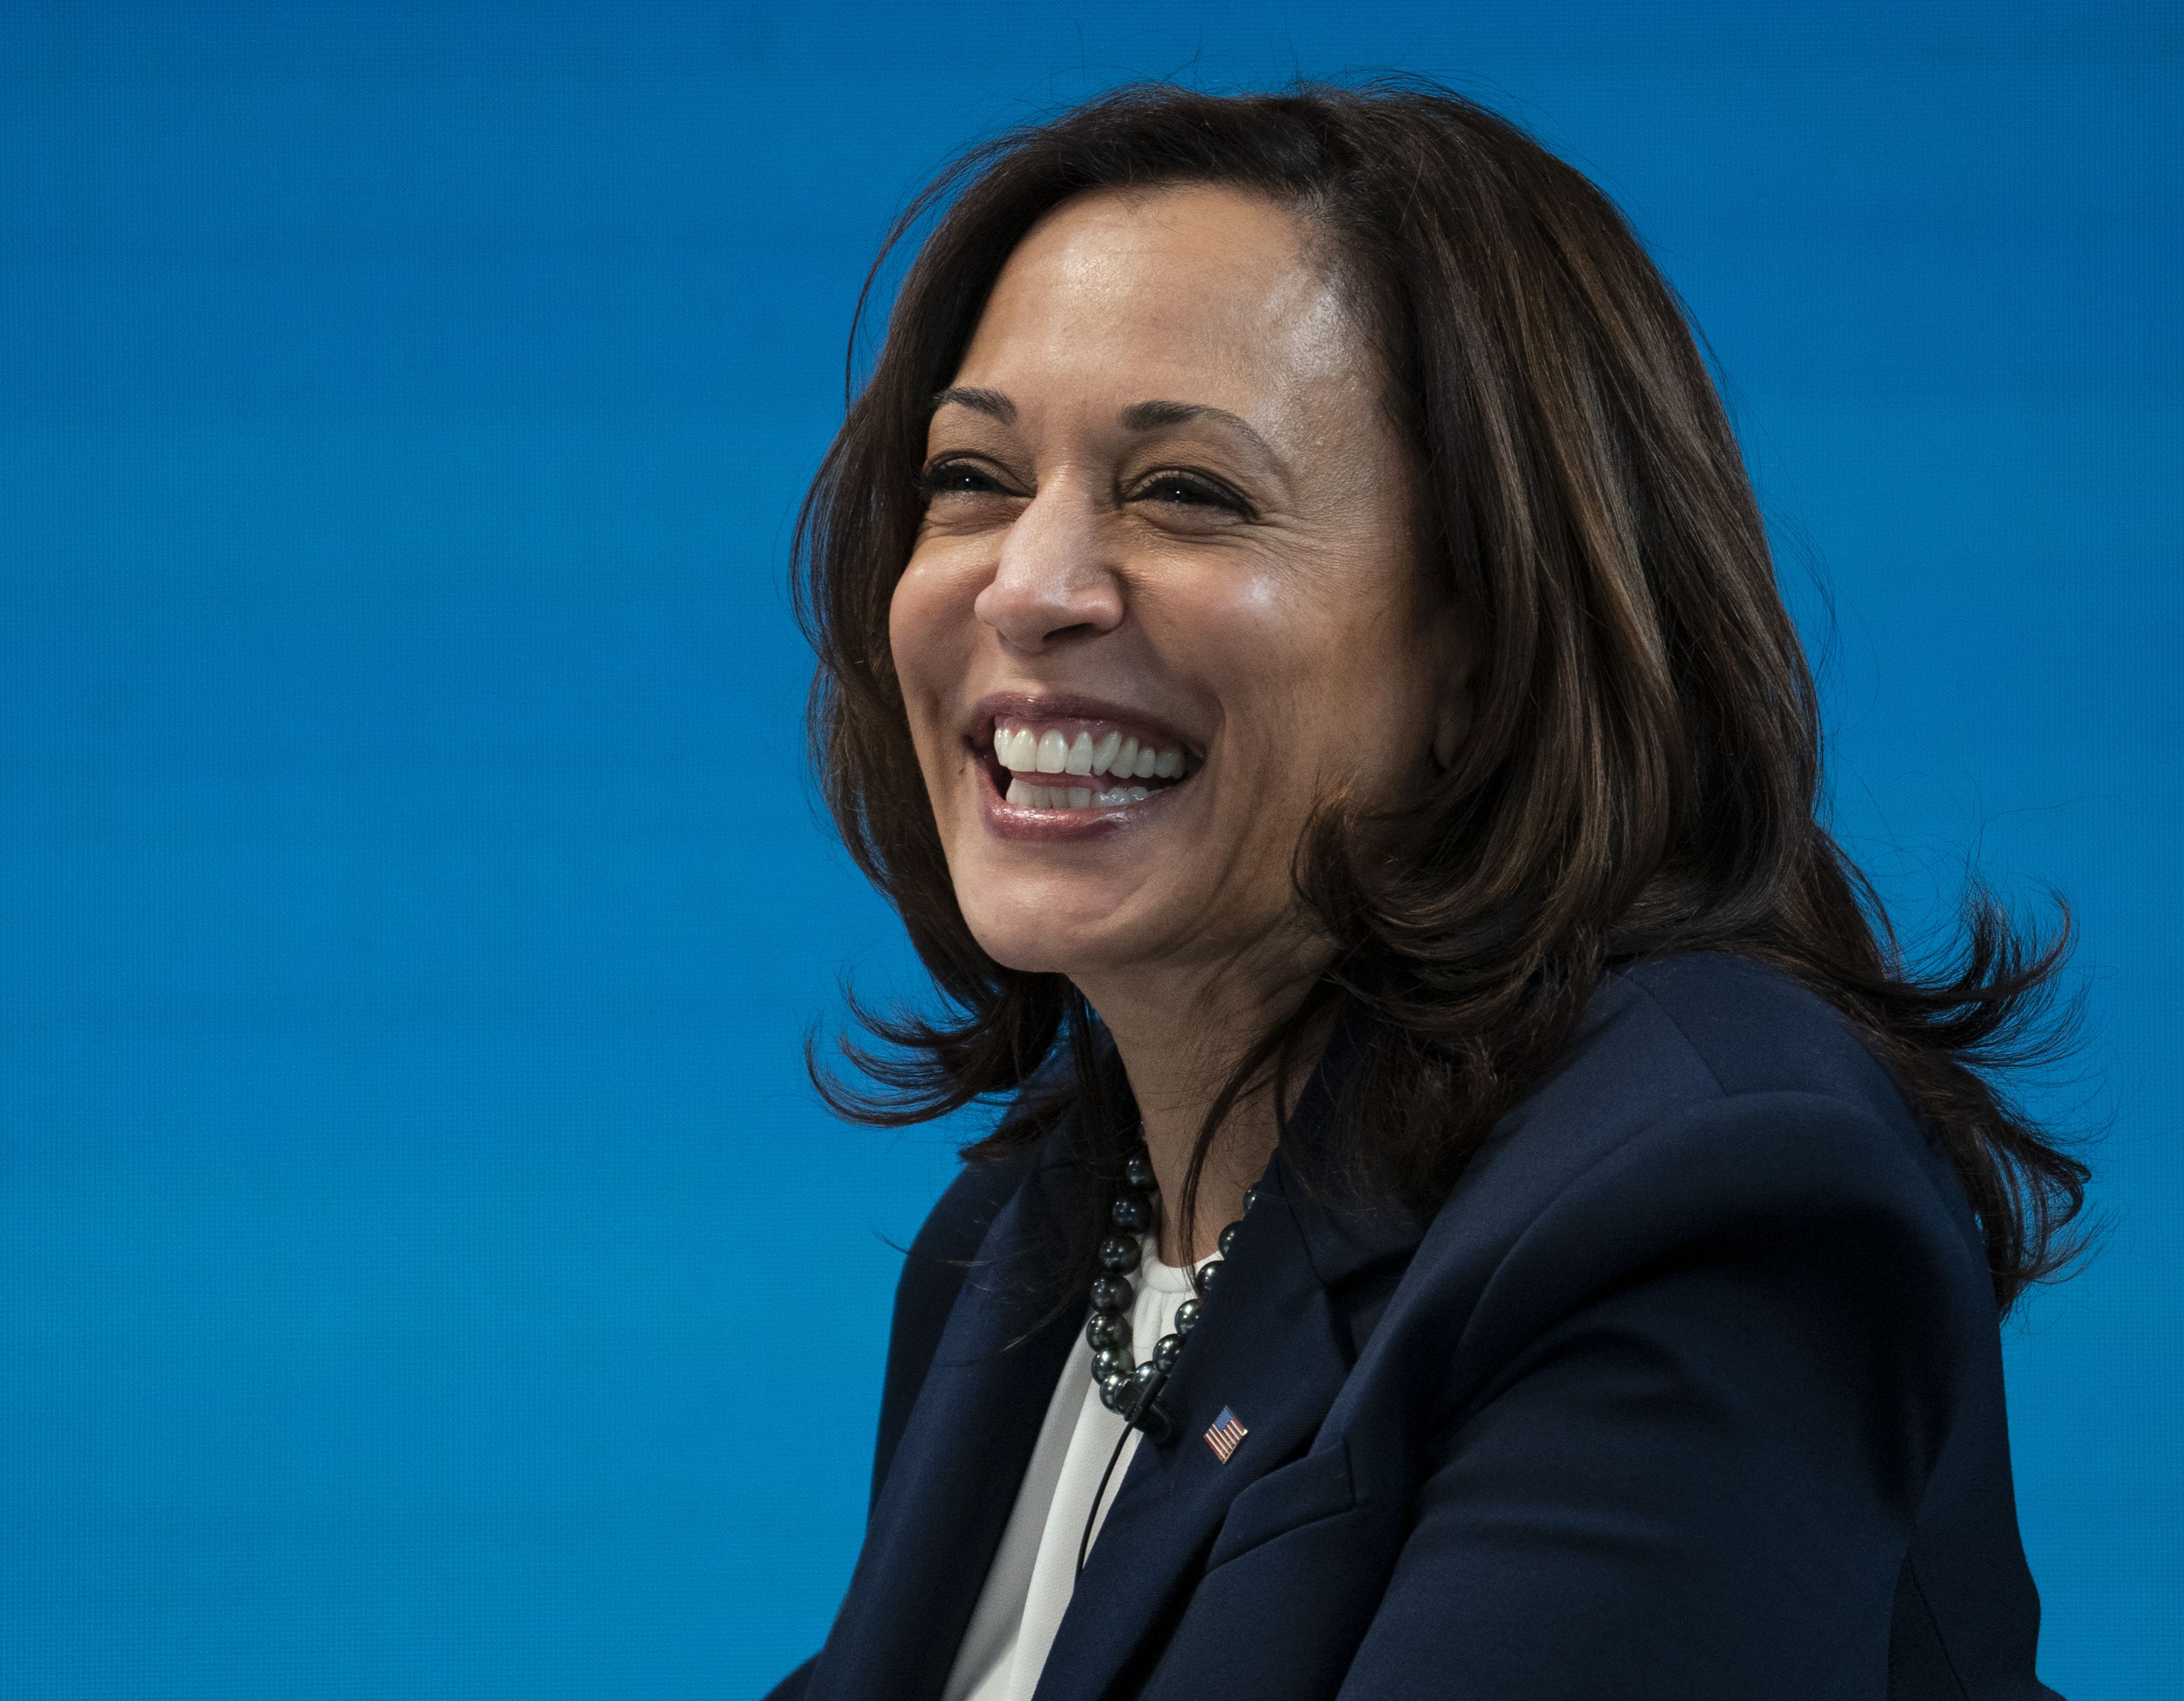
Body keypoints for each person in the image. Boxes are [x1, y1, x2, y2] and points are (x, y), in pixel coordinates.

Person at [767, 84, 2084, 1701]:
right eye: (972, 477)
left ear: (1486, 642)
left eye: (1183, 491)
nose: (1028, 584)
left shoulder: (1707, 1202)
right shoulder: (1042, 1226)